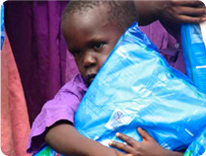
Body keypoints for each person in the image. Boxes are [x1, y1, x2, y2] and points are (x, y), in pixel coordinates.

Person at [27, 1, 206, 156]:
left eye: (97, 45)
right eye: (77, 52)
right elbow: (53, 128)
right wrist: (98, 151)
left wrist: (162, 154)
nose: (87, 60)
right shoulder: (80, 89)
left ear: (129, 38)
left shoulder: (165, 82)